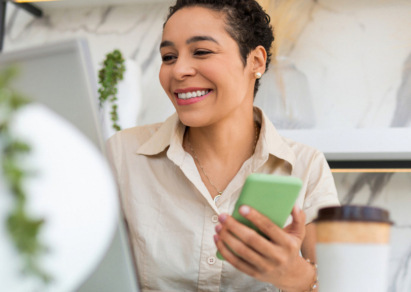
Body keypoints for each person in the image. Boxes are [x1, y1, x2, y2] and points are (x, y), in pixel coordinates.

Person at [106, 0, 339, 291]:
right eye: (168, 56)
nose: (178, 70)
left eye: (201, 51)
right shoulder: (122, 155)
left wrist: (297, 276)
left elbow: (341, 284)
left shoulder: (306, 167)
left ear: (256, 62)